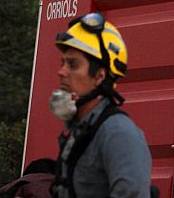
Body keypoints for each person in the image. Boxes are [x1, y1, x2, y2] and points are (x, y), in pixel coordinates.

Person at [51, 12, 152, 198]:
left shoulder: (118, 133)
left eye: (73, 65)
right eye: (63, 63)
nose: (61, 71)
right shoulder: (82, 130)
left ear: (99, 76)